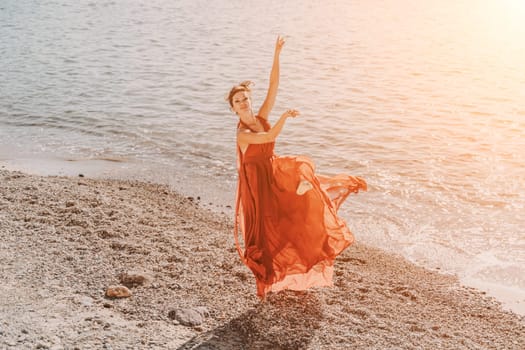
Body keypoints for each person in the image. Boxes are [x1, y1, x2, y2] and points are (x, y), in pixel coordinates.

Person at [227, 36, 367, 298]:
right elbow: (268, 138)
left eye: (245, 98)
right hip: (257, 181)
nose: (244, 103)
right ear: (233, 109)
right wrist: (283, 118)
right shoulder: (242, 134)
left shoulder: (260, 117)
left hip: (272, 169)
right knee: (267, 229)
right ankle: (267, 280)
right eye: (238, 101)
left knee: (302, 176)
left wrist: (277, 53)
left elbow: (274, 85)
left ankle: (310, 241)